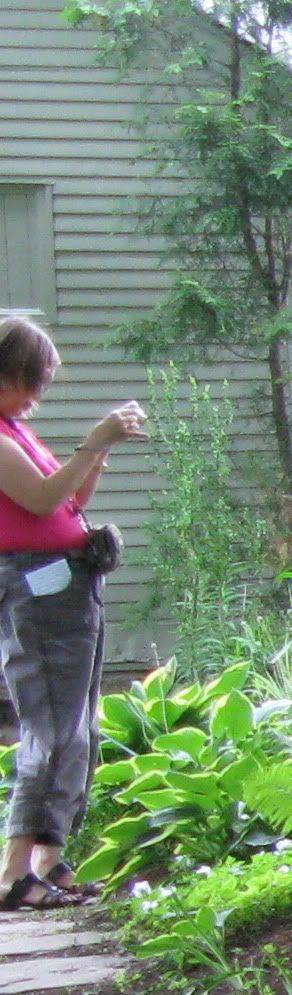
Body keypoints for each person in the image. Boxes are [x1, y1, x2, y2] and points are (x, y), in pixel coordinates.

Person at [0, 316, 138, 909]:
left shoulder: (15, 430)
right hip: (35, 593)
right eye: (32, 382)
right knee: (49, 726)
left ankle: (49, 860)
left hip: (68, 587)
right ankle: (13, 873)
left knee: (79, 726)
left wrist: (99, 453)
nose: (37, 397)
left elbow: (70, 497)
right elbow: (40, 497)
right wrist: (94, 440)